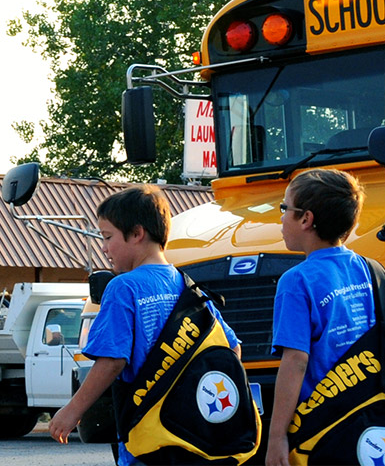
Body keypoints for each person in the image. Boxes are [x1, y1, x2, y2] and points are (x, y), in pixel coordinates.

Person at [47, 185, 242, 465]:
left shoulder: (123, 288)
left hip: (146, 437)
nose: (103, 247)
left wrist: (72, 410)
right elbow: (232, 350)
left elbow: (112, 361)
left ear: (137, 234)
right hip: (192, 434)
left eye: (107, 237)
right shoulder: (190, 287)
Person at [266, 169, 385, 466]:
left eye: (285, 208)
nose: (281, 218)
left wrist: (276, 438)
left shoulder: (296, 281)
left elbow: (296, 362)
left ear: (306, 219)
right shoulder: (372, 270)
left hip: (324, 432)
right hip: (377, 425)